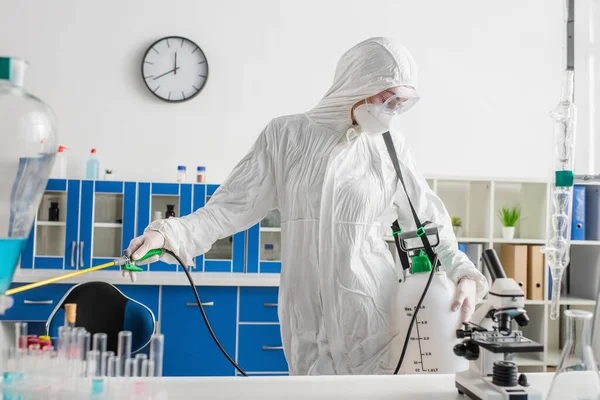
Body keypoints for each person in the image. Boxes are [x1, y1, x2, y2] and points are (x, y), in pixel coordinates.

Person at [125, 37, 489, 375]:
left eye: (400, 103)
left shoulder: (390, 147)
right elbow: (228, 207)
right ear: (358, 83)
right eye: (386, 98)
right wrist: (168, 234)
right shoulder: (286, 136)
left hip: (374, 317)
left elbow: (428, 223)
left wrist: (465, 274)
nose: (392, 111)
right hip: (306, 324)